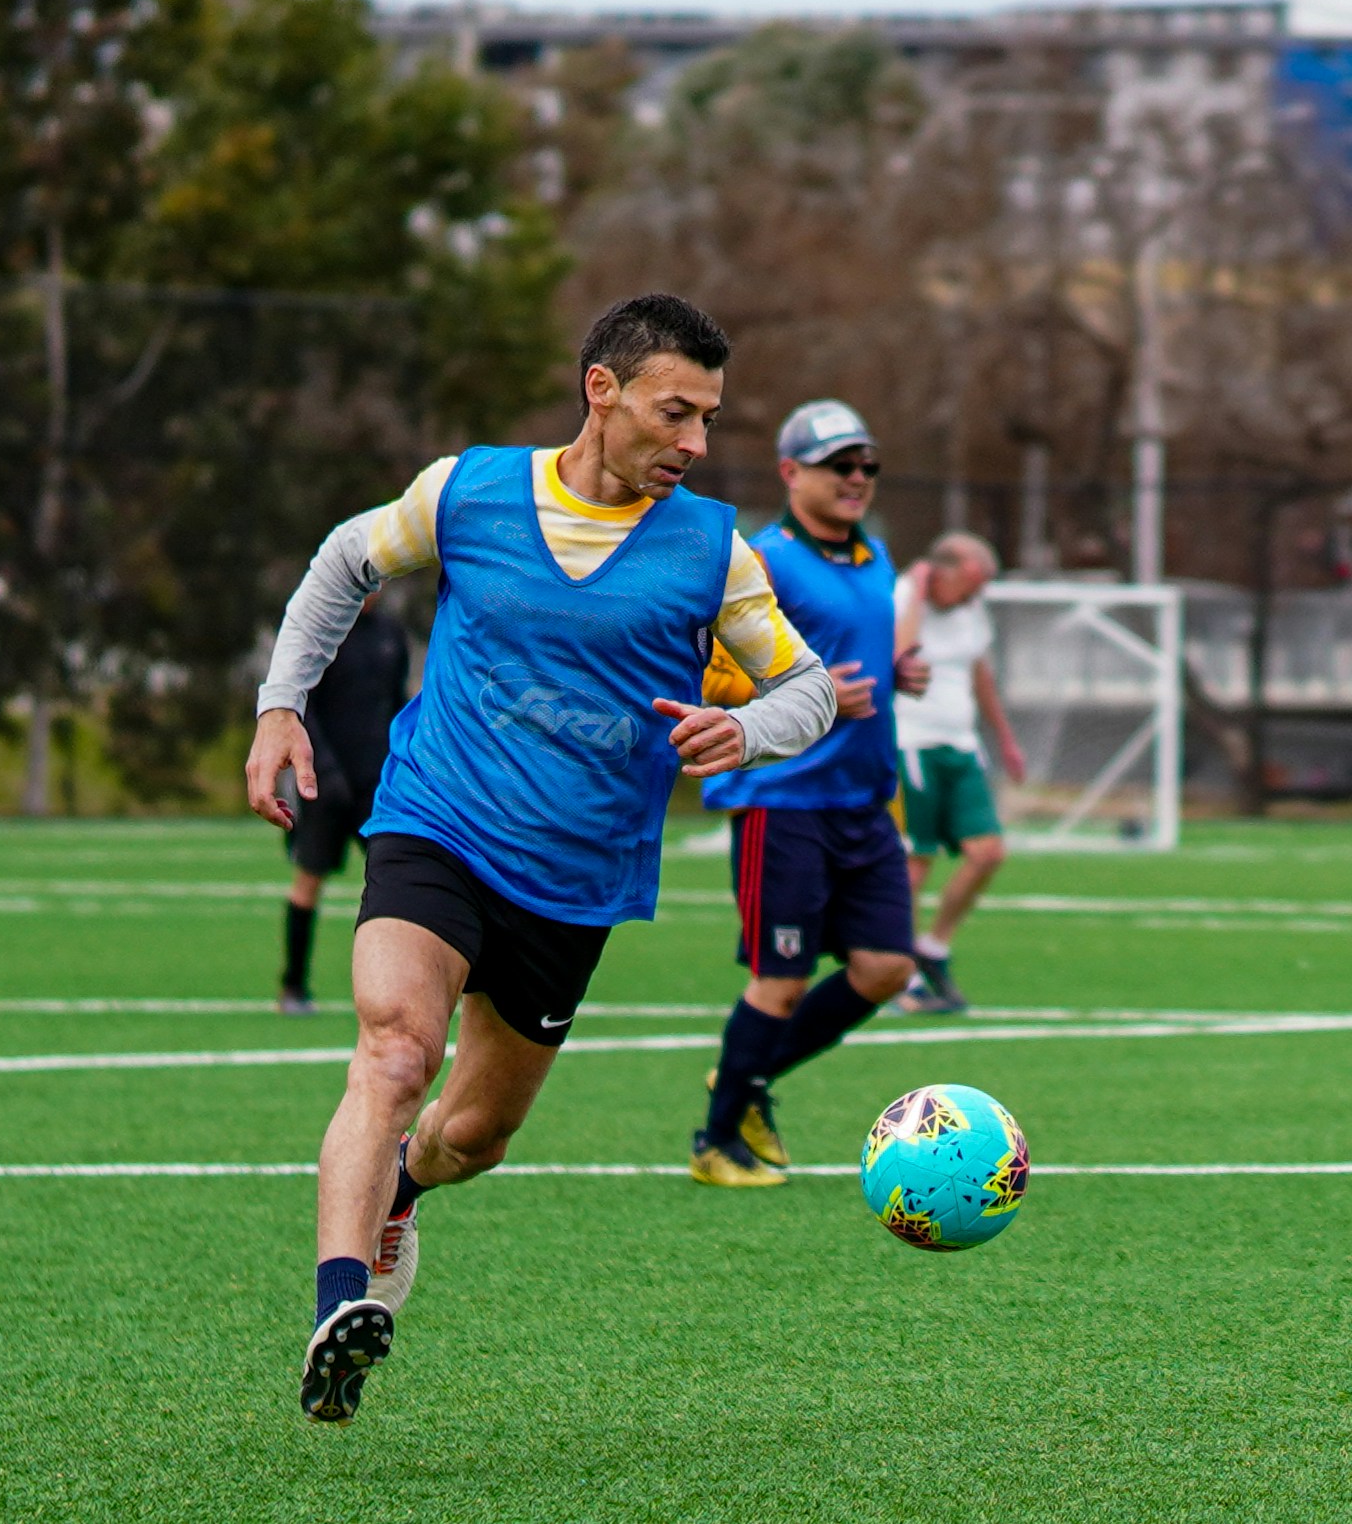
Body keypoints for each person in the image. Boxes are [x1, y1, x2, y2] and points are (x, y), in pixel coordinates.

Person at [246, 294, 836, 1423]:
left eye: (710, 419)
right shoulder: (466, 492)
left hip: (575, 881)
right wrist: (282, 707)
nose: (696, 443)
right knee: (394, 1046)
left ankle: (403, 1192)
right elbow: (342, 562)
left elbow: (805, 685)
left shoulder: (713, 550)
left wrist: (747, 730)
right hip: (438, 826)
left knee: (476, 1133)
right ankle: (338, 1301)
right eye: (678, 412)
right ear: (602, 391)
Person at [688, 400, 931, 1187]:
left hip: (863, 799)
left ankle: (744, 1075)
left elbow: (852, 651)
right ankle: (714, 1143)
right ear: (791, 473)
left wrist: (894, 674)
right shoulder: (762, 561)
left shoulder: (875, 557)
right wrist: (822, 695)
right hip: (782, 800)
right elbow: (720, 670)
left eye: (867, 466)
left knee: (888, 967)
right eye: (839, 466)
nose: (857, 479)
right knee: (781, 979)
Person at [891, 531, 1025, 1013]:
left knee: (988, 851)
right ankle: (902, 974)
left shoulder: (970, 610)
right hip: (912, 742)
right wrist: (919, 594)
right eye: (971, 583)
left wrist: (1005, 738)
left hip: (961, 744)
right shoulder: (905, 596)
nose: (976, 595)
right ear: (940, 572)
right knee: (915, 863)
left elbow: (979, 672)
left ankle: (934, 947)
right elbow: (898, 660)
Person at [275, 589, 409, 1016]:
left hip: (378, 787)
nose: (372, 590)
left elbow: (398, 703)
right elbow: (304, 708)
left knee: (399, 882)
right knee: (308, 882)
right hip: (324, 787)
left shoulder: (391, 635)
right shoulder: (322, 634)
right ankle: (293, 985)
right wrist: (324, 772)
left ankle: (397, 991)